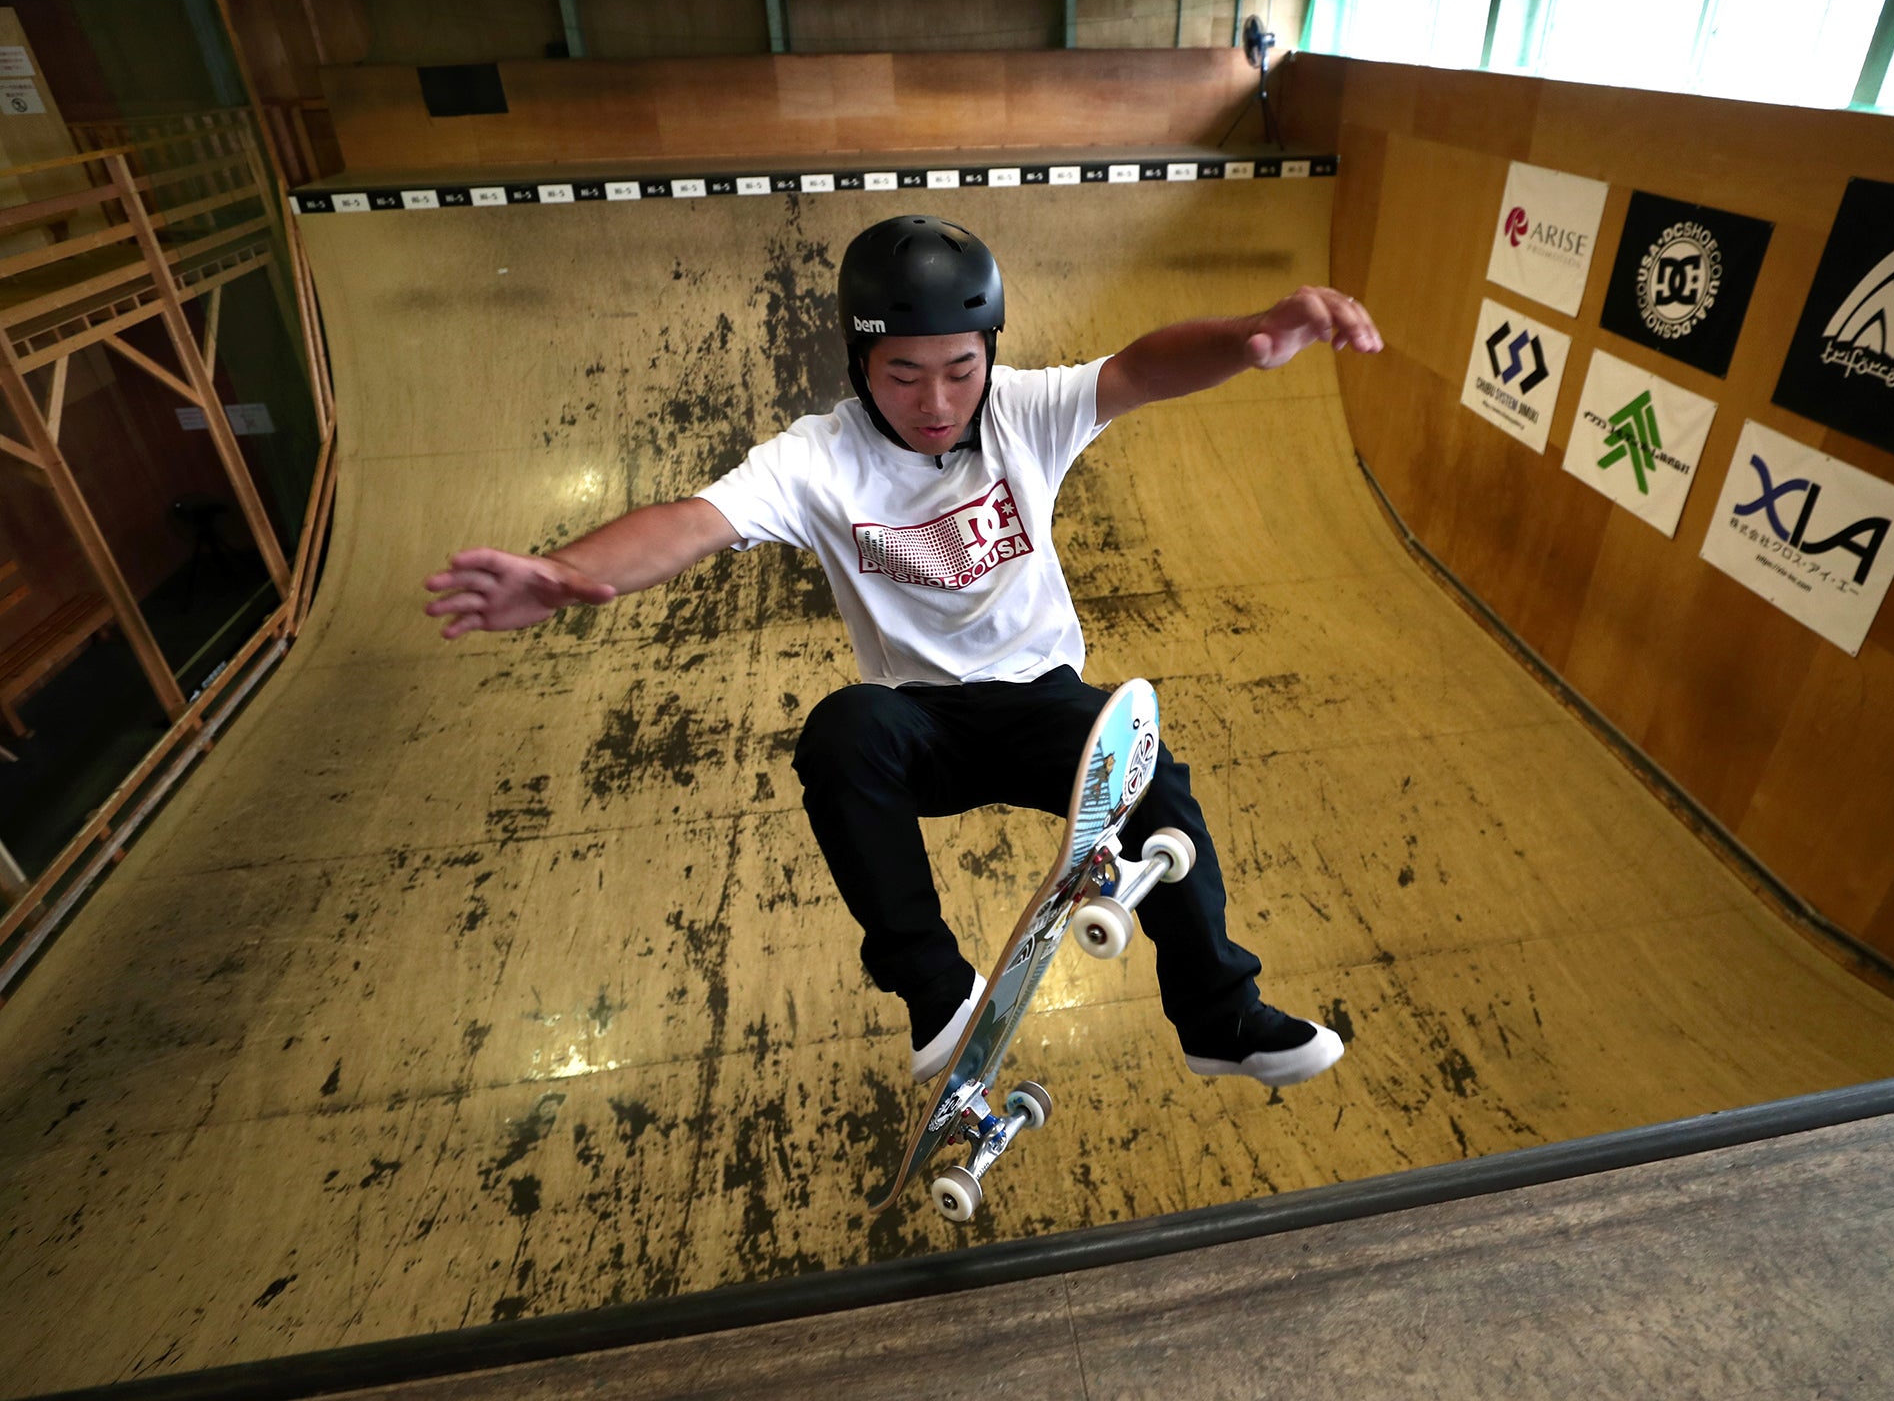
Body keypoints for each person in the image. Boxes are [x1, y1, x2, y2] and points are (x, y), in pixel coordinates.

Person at [425, 215, 1382, 1089]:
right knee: (843, 730)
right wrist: (563, 570)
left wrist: (1254, 330)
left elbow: (1140, 368)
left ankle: (1220, 1019)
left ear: (988, 353)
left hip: (1045, 704)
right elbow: (692, 520)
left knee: (1149, 768)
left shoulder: (1023, 410)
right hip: (919, 720)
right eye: (904, 375)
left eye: (960, 370)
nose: (937, 401)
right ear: (858, 364)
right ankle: (938, 995)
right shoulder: (817, 458)